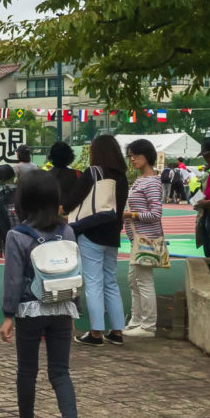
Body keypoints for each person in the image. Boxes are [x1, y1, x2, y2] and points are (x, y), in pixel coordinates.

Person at [0, 170, 83, 418]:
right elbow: (75, 271)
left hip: (30, 309)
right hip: (62, 306)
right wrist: (76, 307)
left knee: (27, 369)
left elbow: (12, 280)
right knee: (60, 371)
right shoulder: (68, 232)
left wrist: (8, 315)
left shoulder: (17, 236)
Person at [61, 134, 129, 346]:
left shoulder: (93, 173)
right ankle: (117, 331)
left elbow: (73, 200)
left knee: (93, 283)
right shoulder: (122, 176)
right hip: (112, 234)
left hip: (91, 232)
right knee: (110, 282)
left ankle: (96, 333)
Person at [123, 139, 163, 336]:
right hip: (137, 240)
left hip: (147, 239)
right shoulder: (140, 180)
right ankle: (136, 320)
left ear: (147, 156)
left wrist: (132, 215)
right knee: (133, 280)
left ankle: (148, 326)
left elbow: (155, 214)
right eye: (130, 156)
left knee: (144, 281)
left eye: (136, 155)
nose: (132, 159)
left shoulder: (151, 182)